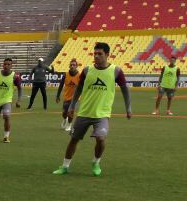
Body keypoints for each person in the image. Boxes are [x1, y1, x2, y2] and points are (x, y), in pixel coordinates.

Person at [53, 42, 132, 177]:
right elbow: (78, 89)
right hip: (84, 112)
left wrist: (128, 108)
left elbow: (125, 89)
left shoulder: (116, 71)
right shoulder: (87, 70)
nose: (96, 56)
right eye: (95, 53)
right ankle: (65, 166)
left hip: (102, 114)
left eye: (99, 54)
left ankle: (96, 162)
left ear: (107, 55)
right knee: (73, 139)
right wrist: (72, 106)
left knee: (101, 138)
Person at [56, 59, 82, 132]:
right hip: (66, 97)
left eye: (74, 65)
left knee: (71, 112)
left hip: (75, 98)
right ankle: (65, 119)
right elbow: (61, 85)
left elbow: (82, 86)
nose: (72, 66)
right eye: (71, 65)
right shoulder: (65, 75)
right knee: (64, 113)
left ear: (76, 66)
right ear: (69, 66)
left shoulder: (79, 76)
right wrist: (58, 95)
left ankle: (69, 125)